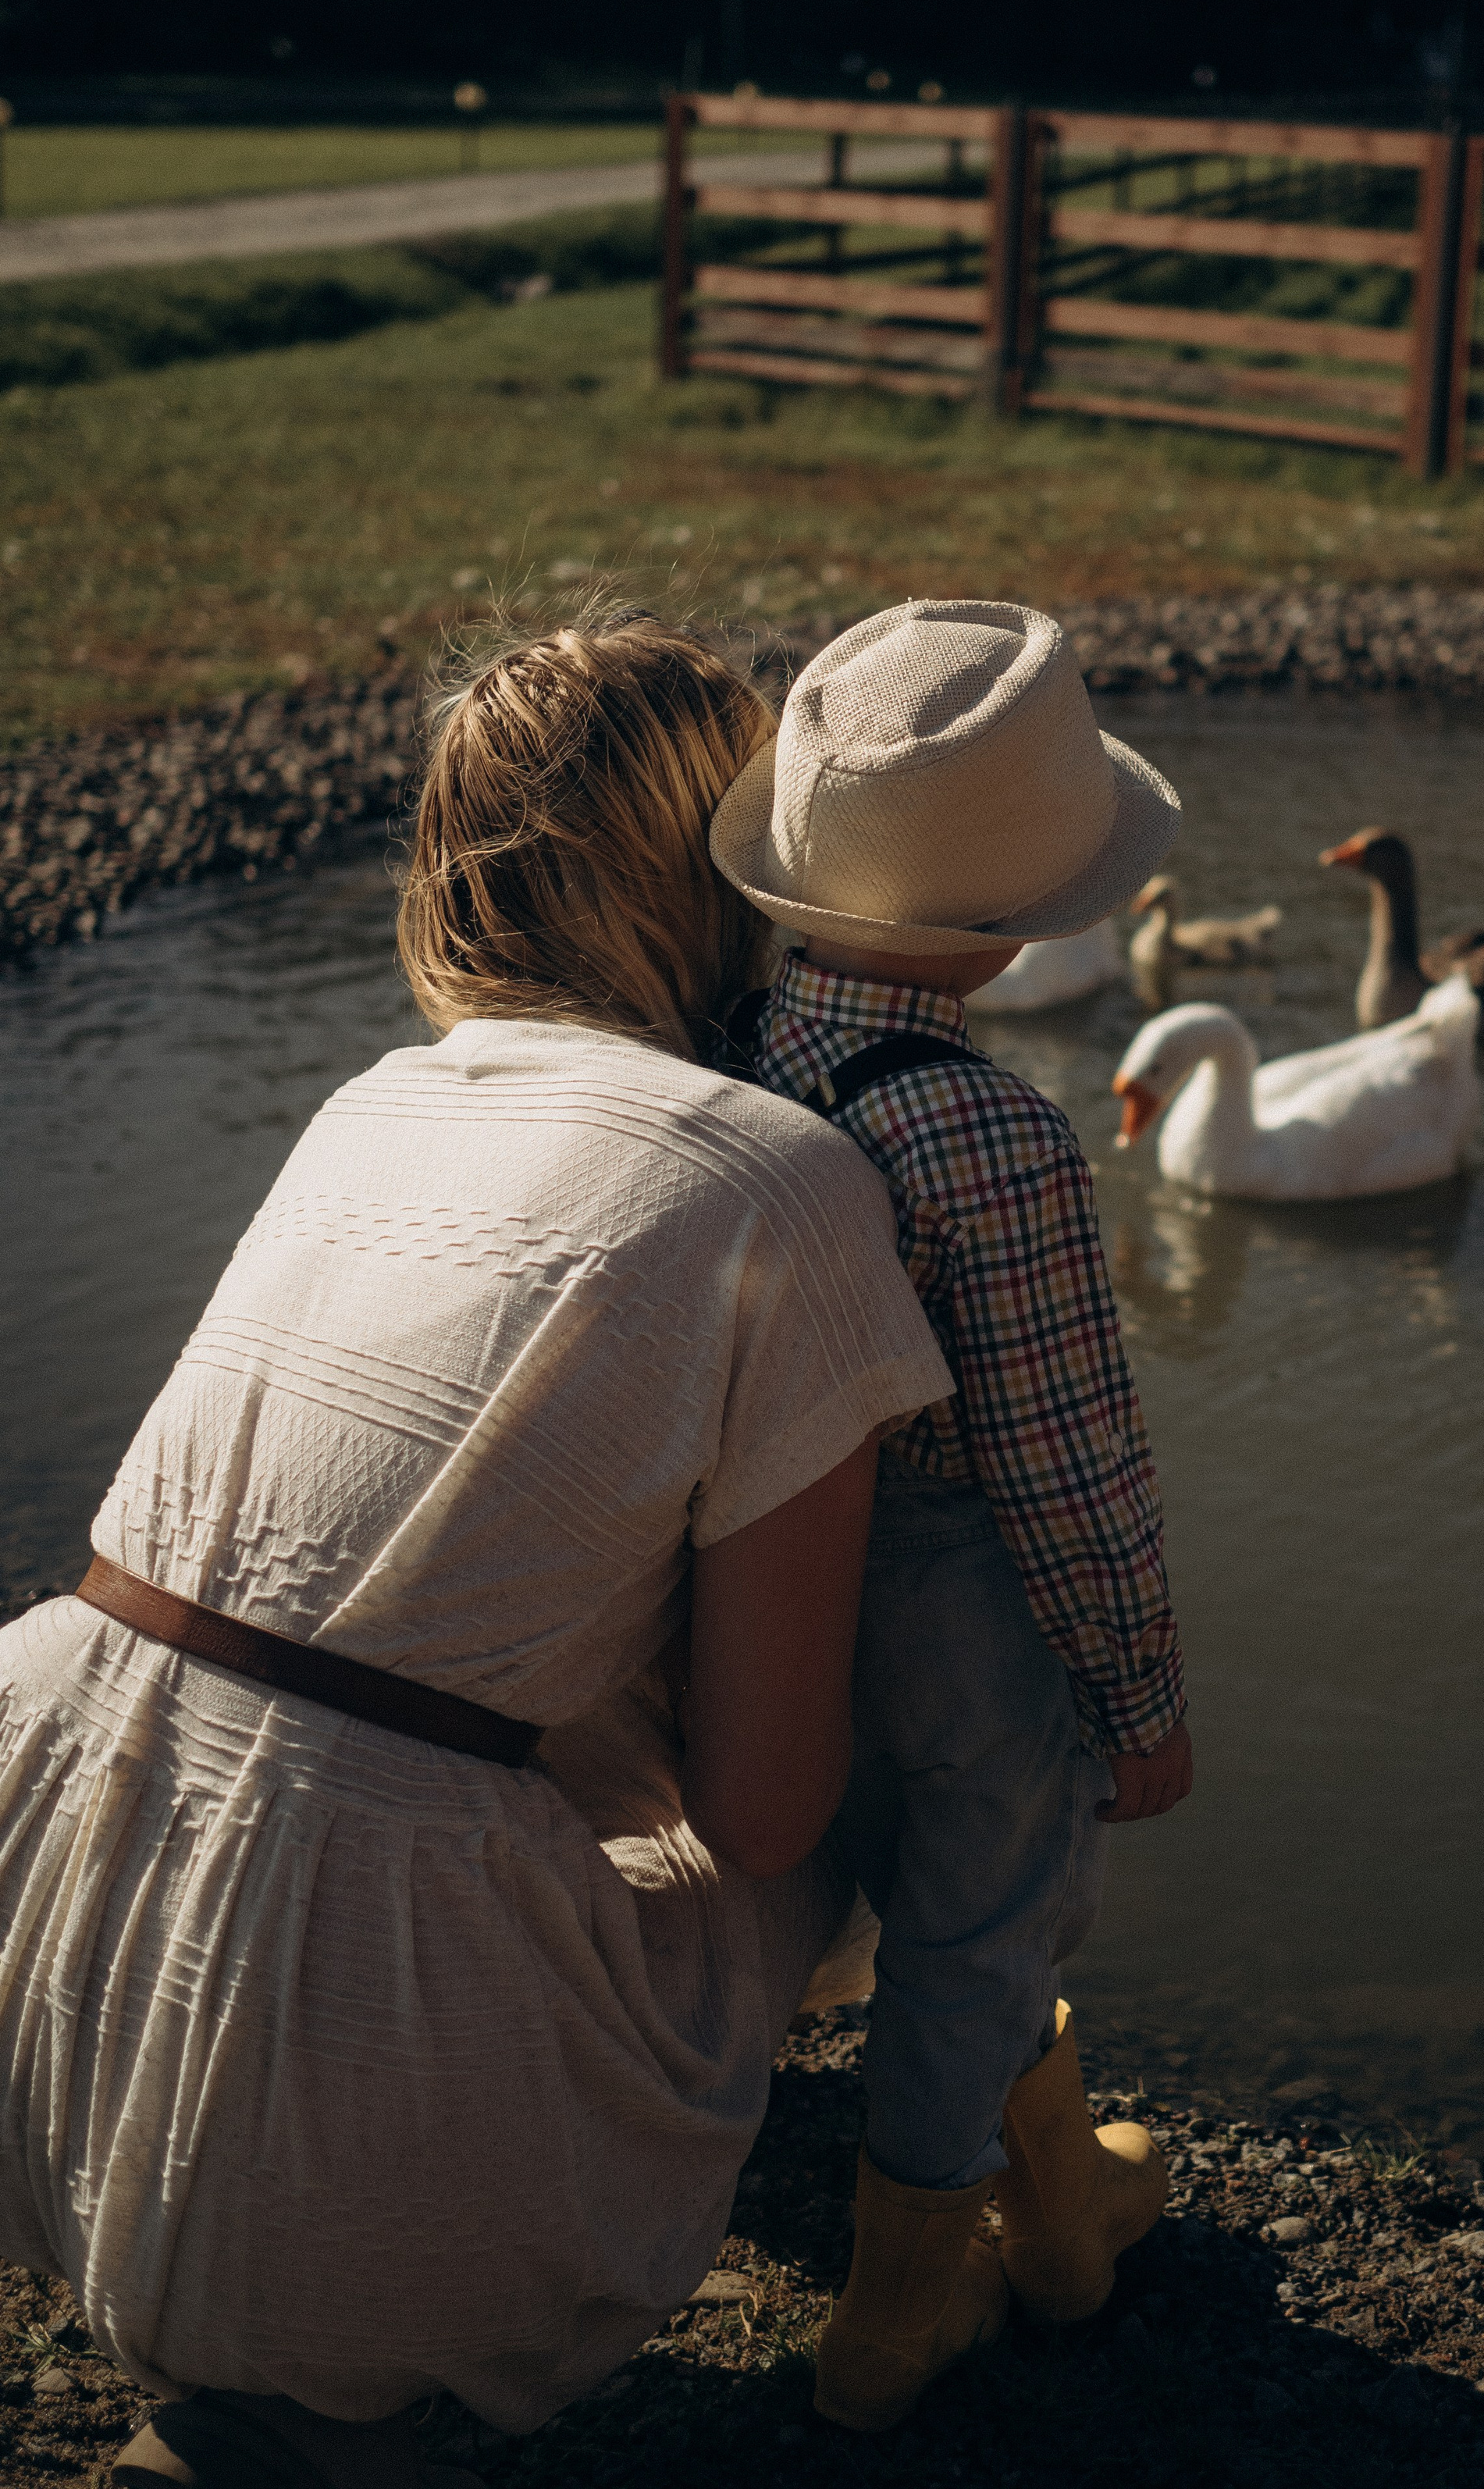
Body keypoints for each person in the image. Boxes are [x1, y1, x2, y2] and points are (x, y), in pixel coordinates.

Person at [0, 607, 956, 2488]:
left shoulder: (371, 1105)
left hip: (41, 1882)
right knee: (850, 1799)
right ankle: (405, 2277)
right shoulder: (782, 1177)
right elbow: (765, 1804)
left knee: (438, 1676)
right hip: (339, 2003)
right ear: (740, 868)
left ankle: (282, 2306)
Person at [709, 597, 1196, 2431]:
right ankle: (900, 2311)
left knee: (869, 1883)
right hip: (949, 1592)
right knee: (977, 1923)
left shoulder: (720, 1061)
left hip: (763, 1568)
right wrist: (1138, 1701)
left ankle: (1059, 2212)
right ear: (1005, 933)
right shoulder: (993, 1142)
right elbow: (1069, 1468)